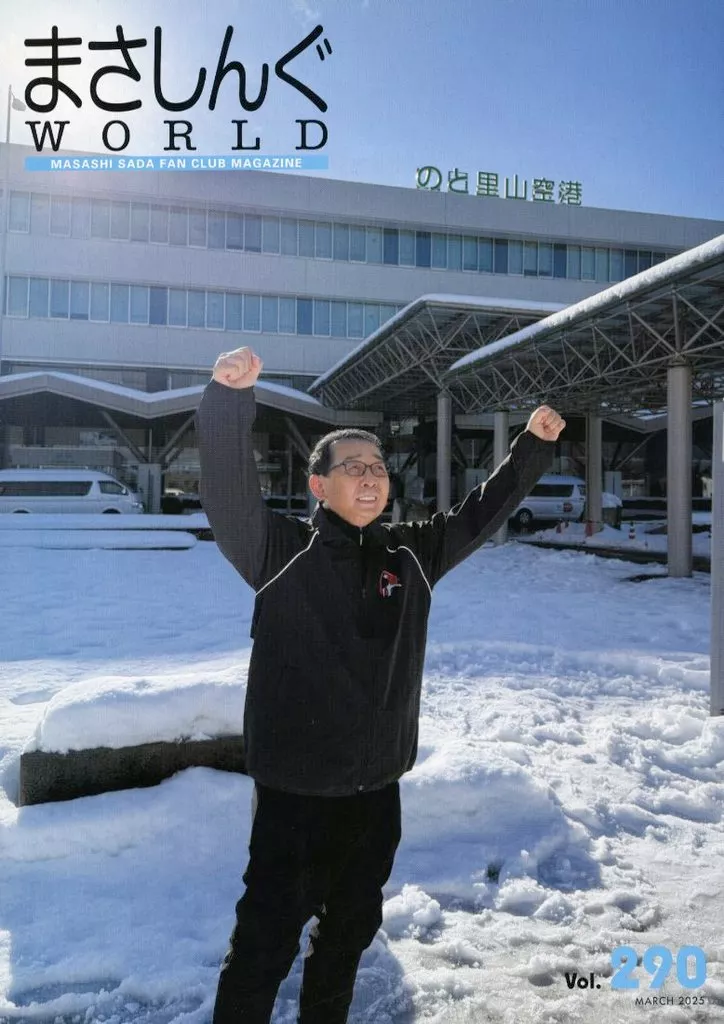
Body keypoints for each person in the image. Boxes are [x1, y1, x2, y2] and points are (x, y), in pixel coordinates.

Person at [196, 346, 565, 1024]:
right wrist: (227, 401)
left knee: (348, 937)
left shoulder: (411, 555)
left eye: (377, 467)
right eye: (353, 467)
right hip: (296, 798)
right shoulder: (279, 553)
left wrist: (532, 450)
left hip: (376, 795)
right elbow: (227, 492)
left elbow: (481, 513)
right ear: (318, 486)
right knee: (263, 947)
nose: (370, 477)